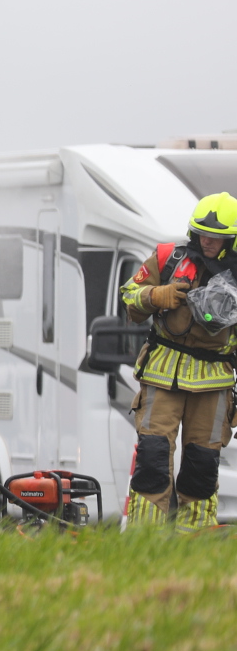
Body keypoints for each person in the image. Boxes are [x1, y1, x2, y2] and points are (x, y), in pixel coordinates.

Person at [119, 192, 237, 529]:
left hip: (214, 383)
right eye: (202, 234)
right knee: (153, 460)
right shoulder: (167, 258)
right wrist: (156, 296)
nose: (207, 242)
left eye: (216, 237)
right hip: (162, 375)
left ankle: (193, 545)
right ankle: (145, 542)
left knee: (202, 467)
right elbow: (129, 294)